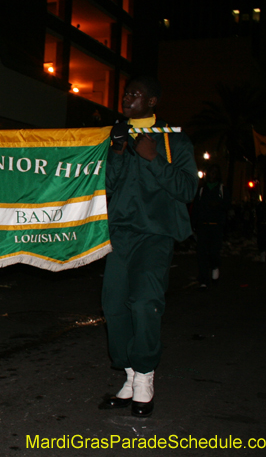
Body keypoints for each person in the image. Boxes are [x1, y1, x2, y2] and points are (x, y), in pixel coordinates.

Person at [98, 76, 198, 417]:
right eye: (126, 93)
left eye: (135, 94)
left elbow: (188, 190)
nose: (127, 98)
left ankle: (145, 376)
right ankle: (128, 375)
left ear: (152, 101)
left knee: (144, 303)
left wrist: (154, 158)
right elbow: (104, 186)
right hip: (119, 235)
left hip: (155, 234)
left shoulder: (175, 140)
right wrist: (116, 152)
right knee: (113, 306)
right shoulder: (116, 135)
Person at [193, 165, 228, 289]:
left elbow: (226, 208)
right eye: (210, 173)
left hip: (216, 227)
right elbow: (196, 208)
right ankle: (203, 279)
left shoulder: (222, 190)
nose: (212, 175)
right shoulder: (202, 190)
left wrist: (217, 208)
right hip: (203, 226)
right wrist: (195, 224)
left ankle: (214, 267)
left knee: (214, 252)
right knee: (201, 254)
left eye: (215, 173)